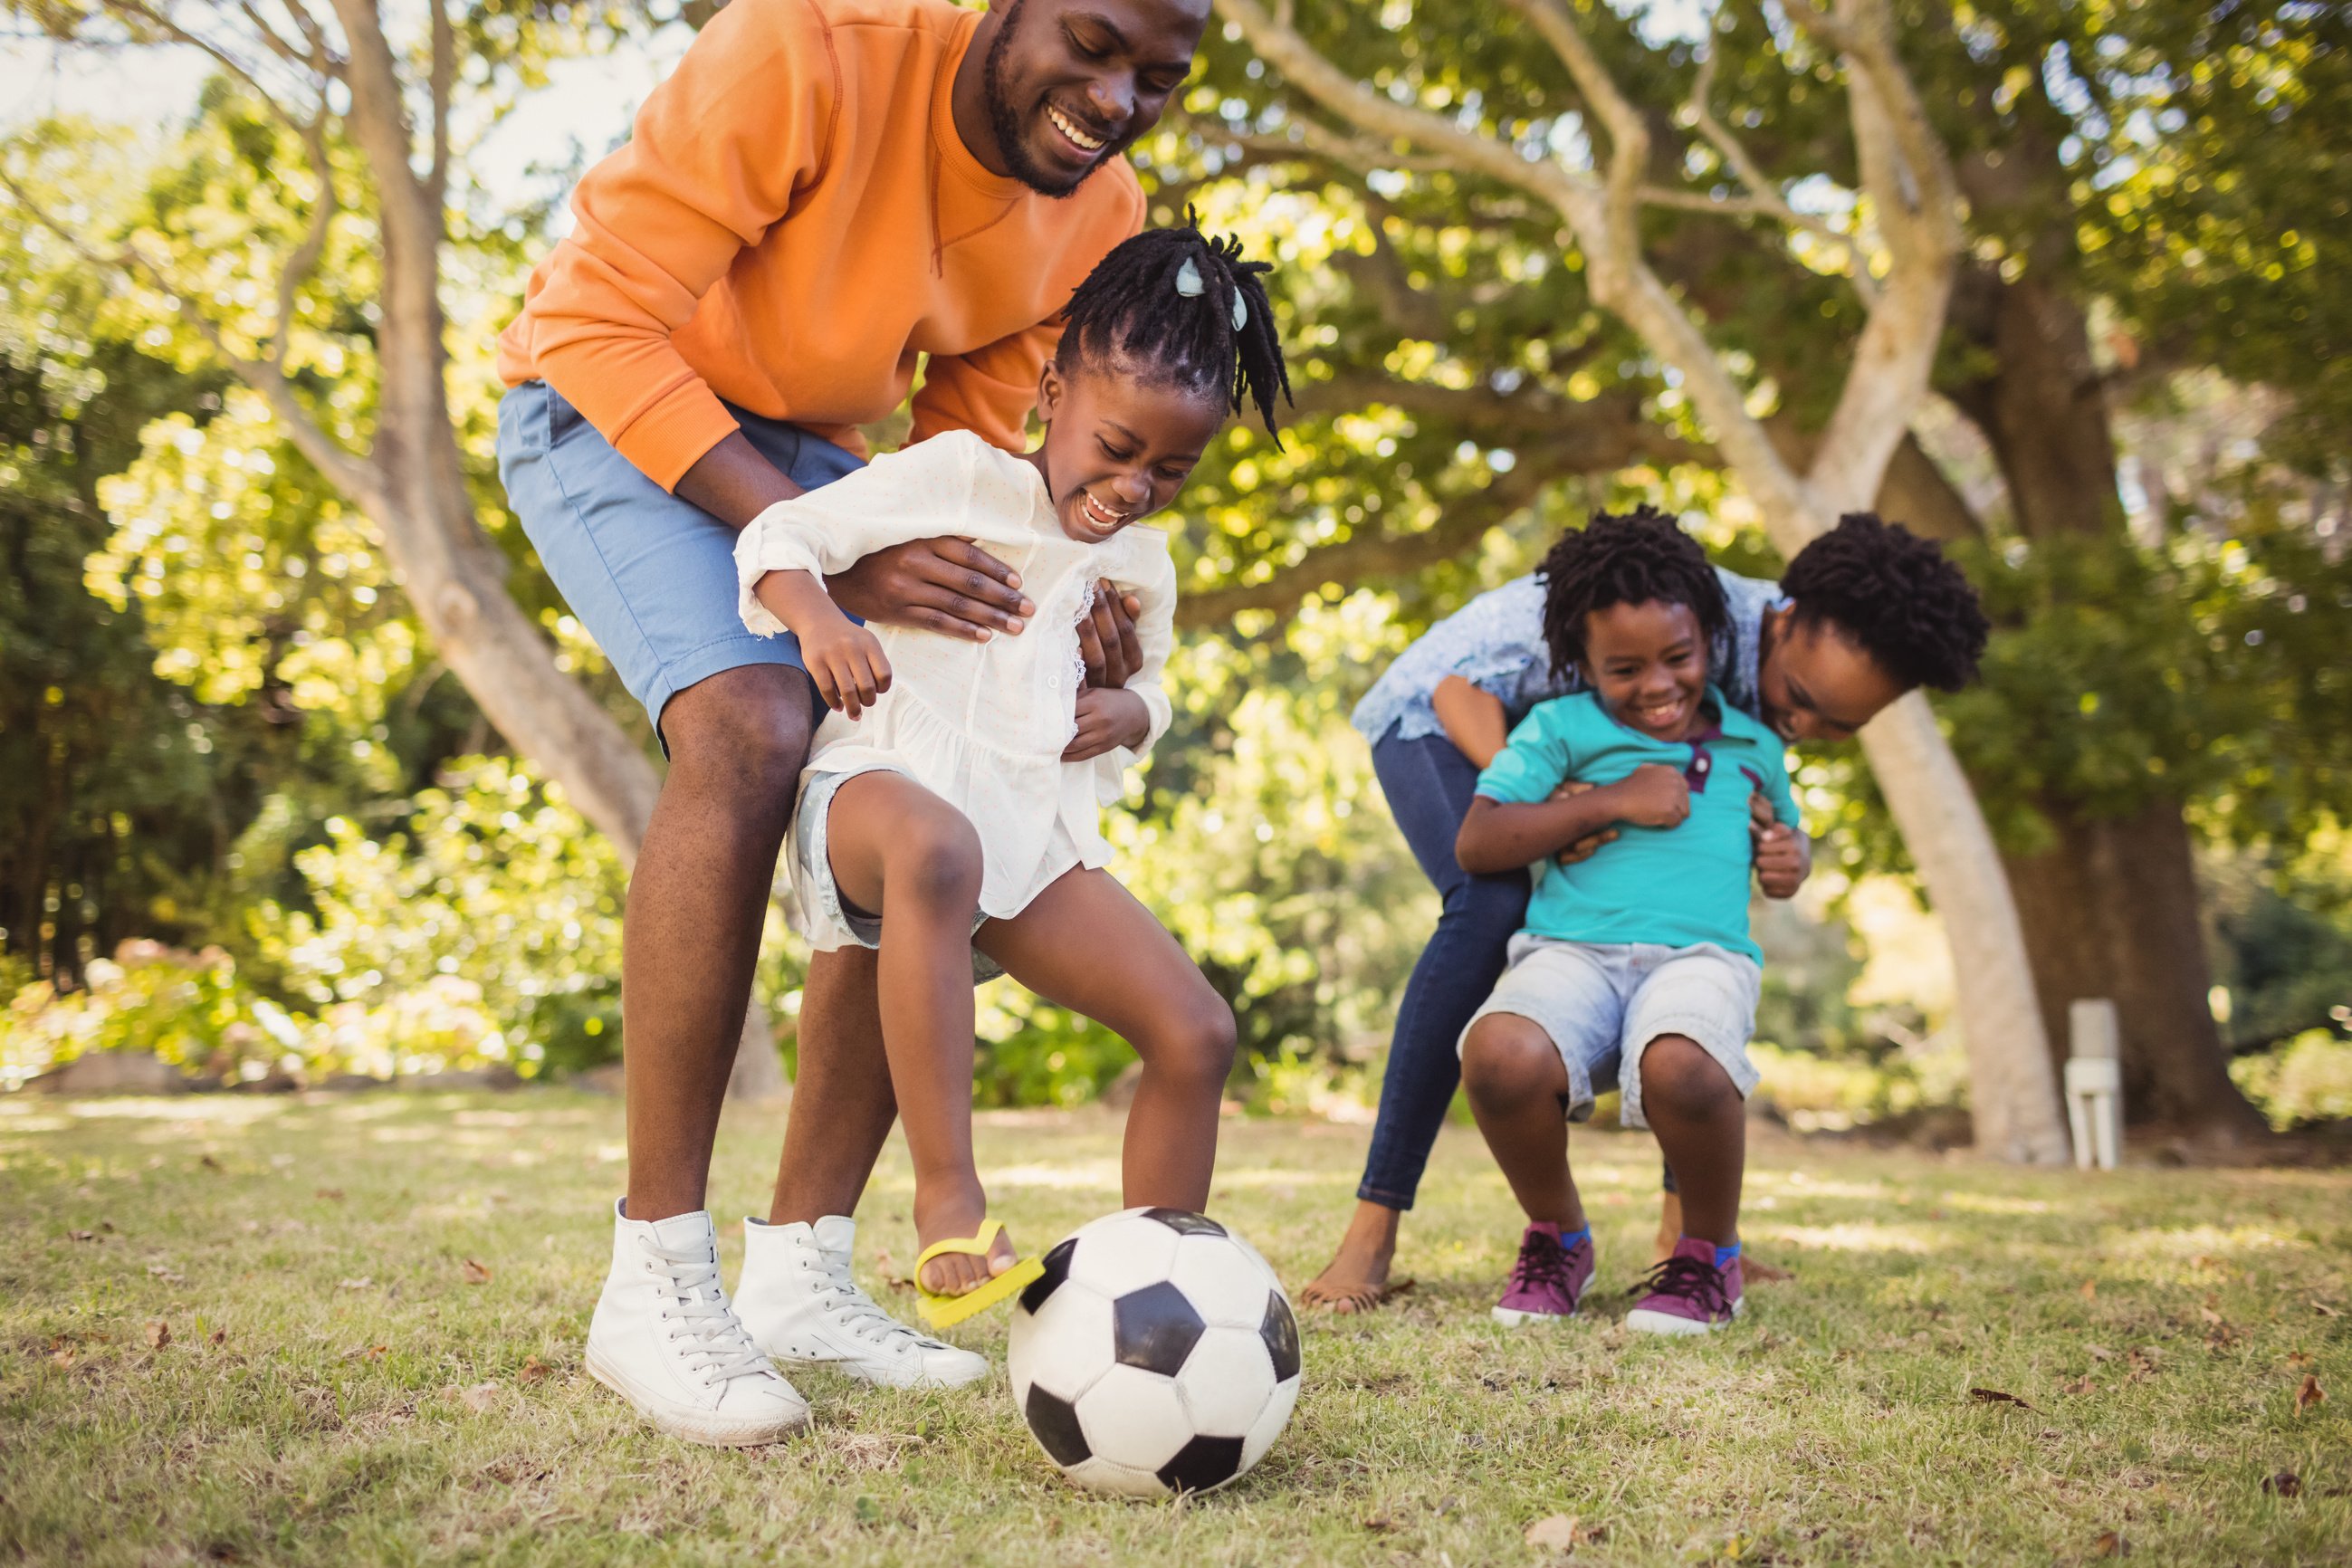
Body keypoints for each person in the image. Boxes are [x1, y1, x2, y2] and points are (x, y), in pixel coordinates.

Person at [493, 0, 1214, 1445]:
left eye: (1159, 76)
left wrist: (1059, 594)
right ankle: (653, 1274)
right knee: (757, 723)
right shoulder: (807, 47)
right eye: (1093, 42)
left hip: (832, 465)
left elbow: (979, 441)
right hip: (624, 413)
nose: (1115, 95)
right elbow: (589, 320)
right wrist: (824, 554)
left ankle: (801, 1274)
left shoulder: (1097, 208)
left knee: (926, 785)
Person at [731, 223, 1288, 1324]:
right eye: (1118, 447)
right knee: (940, 846)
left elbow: (1160, 687)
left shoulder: (1141, 566)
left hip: (1027, 841)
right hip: (873, 796)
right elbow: (776, 538)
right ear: (1049, 395)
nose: (1135, 487)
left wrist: (1133, 707)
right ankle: (949, 1196)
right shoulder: (954, 477)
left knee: (1198, 1030)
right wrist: (822, 623)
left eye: (1172, 468)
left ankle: (1161, 1296)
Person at [1302, 512, 1992, 1313]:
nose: (1801, 728)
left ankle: (1684, 1238)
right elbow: (1459, 691)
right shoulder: (1657, 599)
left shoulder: (1751, 682)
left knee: (1683, 940)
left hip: (1561, 768)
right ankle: (1371, 1230)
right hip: (1440, 723)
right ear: (1786, 618)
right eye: (1800, 702)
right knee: (1491, 907)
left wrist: (1781, 849)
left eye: (1841, 727)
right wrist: (1572, 802)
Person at [1452, 508, 1800, 1332]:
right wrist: (1617, 799)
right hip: (1572, 951)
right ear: (1582, 665)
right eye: (1623, 669)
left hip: (1702, 958)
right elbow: (1479, 839)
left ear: (1712, 640)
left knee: (1685, 1062)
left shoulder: (1756, 743)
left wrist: (1792, 860)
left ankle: (1709, 1257)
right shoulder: (1558, 730)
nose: (1657, 685)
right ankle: (1559, 1237)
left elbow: (1786, 839)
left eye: (1678, 658)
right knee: (1496, 1054)